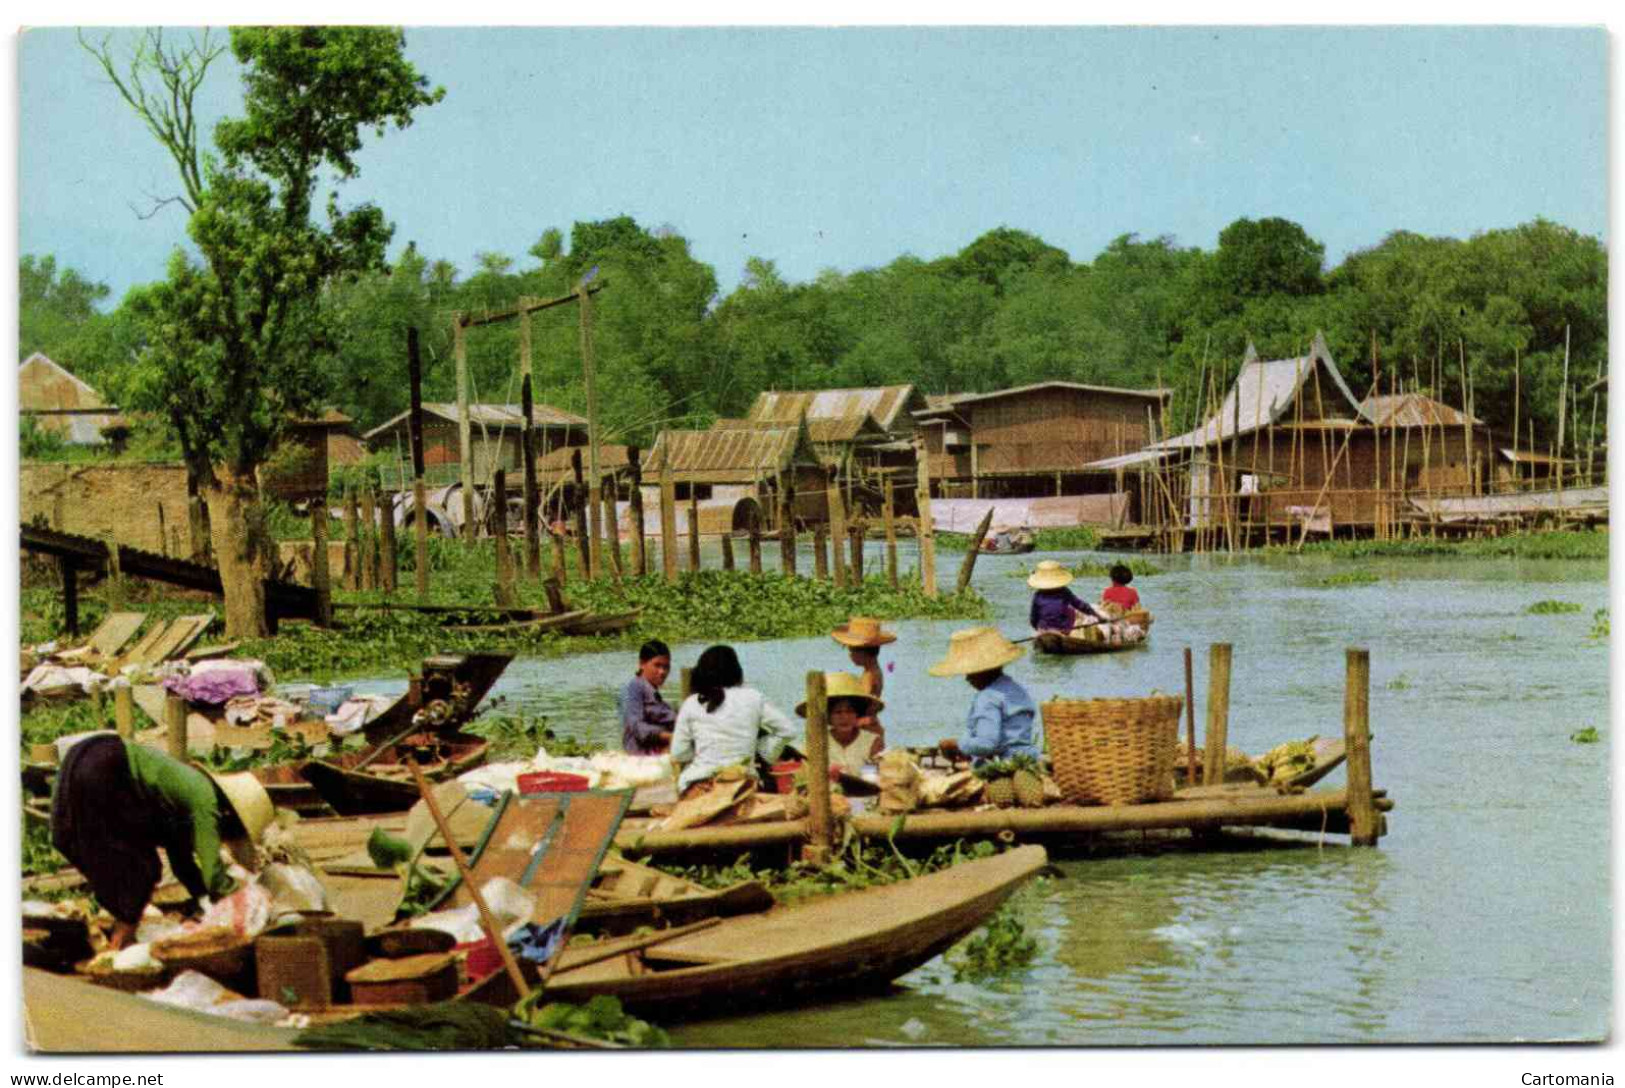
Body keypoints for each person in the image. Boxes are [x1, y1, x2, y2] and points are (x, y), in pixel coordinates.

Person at [50, 734, 273, 950]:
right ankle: (121, 944)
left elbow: (182, 863)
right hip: (107, 764)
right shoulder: (205, 800)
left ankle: (117, 935)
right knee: (142, 869)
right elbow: (213, 874)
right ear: (230, 814)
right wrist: (240, 894)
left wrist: (202, 899)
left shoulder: (182, 801)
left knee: (74, 843)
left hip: (81, 755)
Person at [670, 645, 799, 796]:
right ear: (737, 671)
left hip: (700, 784)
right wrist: (762, 752)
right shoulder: (753, 697)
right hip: (742, 784)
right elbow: (788, 730)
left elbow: (679, 754)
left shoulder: (692, 703)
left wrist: (702, 754)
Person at [929, 626, 1040, 764]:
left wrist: (957, 744)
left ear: (983, 671)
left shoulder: (988, 697)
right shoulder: (1016, 689)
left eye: (970, 673)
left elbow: (986, 744)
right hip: (1027, 759)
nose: (967, 679)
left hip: (1003, 764)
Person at [796, 672, 885, 775]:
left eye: (849, 711)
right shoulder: (817, 742)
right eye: (838, 712)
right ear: (828, 717)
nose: (844, 717)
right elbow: (806, 773)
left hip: (862, 790)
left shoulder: (872, 742)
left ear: (857, 714)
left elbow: (871, 779)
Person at [829, 616, 894, 734]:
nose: (850, 655)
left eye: (852, 651)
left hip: (867, 727)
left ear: (863, 652)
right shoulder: (874, 671)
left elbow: (862, 706)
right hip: (871, 725)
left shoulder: (869, 676)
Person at [619, 639, 676, 755]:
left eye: (666, 667)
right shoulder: (635, 687)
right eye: (657, 665)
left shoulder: (652, 691)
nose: (662, 672)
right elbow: (637, 727)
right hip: (641, 755)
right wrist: (670, 737)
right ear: (642, 664)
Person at [1026, 560, 1102, 633]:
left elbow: (1034, 618)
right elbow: (1079, 605)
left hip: (1043, 629)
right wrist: (1096, 615)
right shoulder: (1064, 591)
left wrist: (1039, 628)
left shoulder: (1038, 595)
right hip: (1062, 629)